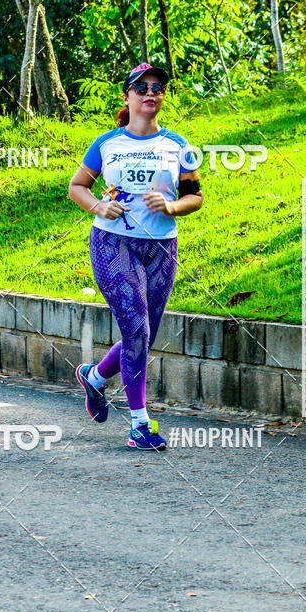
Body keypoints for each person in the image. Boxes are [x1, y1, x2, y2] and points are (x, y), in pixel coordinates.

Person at [68, 62, 203, 449]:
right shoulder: (107, 144)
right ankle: (140, 424)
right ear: (127, 96)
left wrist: (172, 206)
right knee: (137, 329)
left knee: (143, 334)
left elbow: (196, 197)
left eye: (157, 87)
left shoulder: (179, 146)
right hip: (114, 243)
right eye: (141, 87)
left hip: (162, 247)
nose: (150, 93)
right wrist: (97, 206)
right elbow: (77, 187)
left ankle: (94, 377)